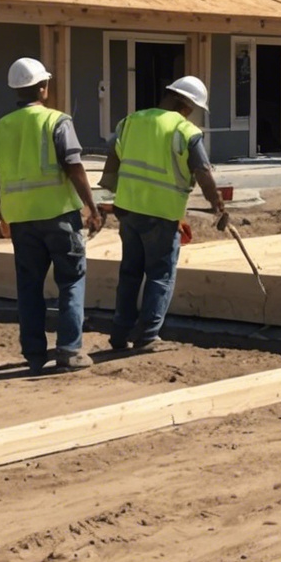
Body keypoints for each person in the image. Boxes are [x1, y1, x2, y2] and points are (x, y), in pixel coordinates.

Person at [0, 57, 103, 372]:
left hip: (20, 220)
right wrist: (92, 207)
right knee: (71, 280)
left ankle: (33, 353)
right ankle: (70, 351)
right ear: (43, 88)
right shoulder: (57, 121)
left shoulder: (0, 127)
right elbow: (74, 166)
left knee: (29, 285)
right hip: (58, 214)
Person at [100, 76, 227, 354]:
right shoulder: (185, 130)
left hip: (129, 210)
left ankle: (120, 334)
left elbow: (113, 157)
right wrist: (215, 200)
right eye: (192, 108)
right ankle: (147, 336)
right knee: (160, 275)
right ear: (186, 103)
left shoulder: (131, 121)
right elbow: (202, 170)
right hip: (161, 214)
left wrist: (111, 195)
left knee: (130, 273)